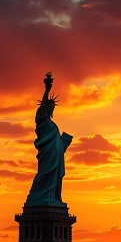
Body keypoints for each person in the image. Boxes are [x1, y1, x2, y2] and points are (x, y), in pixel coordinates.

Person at [25, 72, 73, 206]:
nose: (50, 108)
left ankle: (53, 198)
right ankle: (35, 197)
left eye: (52, 107)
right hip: (47, 153)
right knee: (45, 173)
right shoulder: (41, 120)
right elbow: (43, 107)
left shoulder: (52, 124)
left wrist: (63, 143)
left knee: (55, 176)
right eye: (48, 106)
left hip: (56, 154)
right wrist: (47, 90)